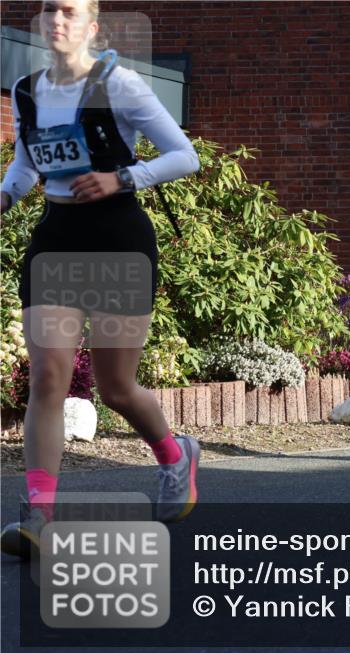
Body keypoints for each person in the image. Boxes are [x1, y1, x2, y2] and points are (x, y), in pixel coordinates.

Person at [0, 0, 201, 557]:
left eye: (68, 12)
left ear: (92, 28)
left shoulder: (123, 85)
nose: (56, 20)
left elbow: (183, 156)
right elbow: (25, 165)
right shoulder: (26, 90)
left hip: (118, 240)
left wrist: (122, 178)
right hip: (56, 238)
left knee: (115, 388)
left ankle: (175, 454)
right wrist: (6, 194)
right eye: (48, 11)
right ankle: (38, 516)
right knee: (48, 378)